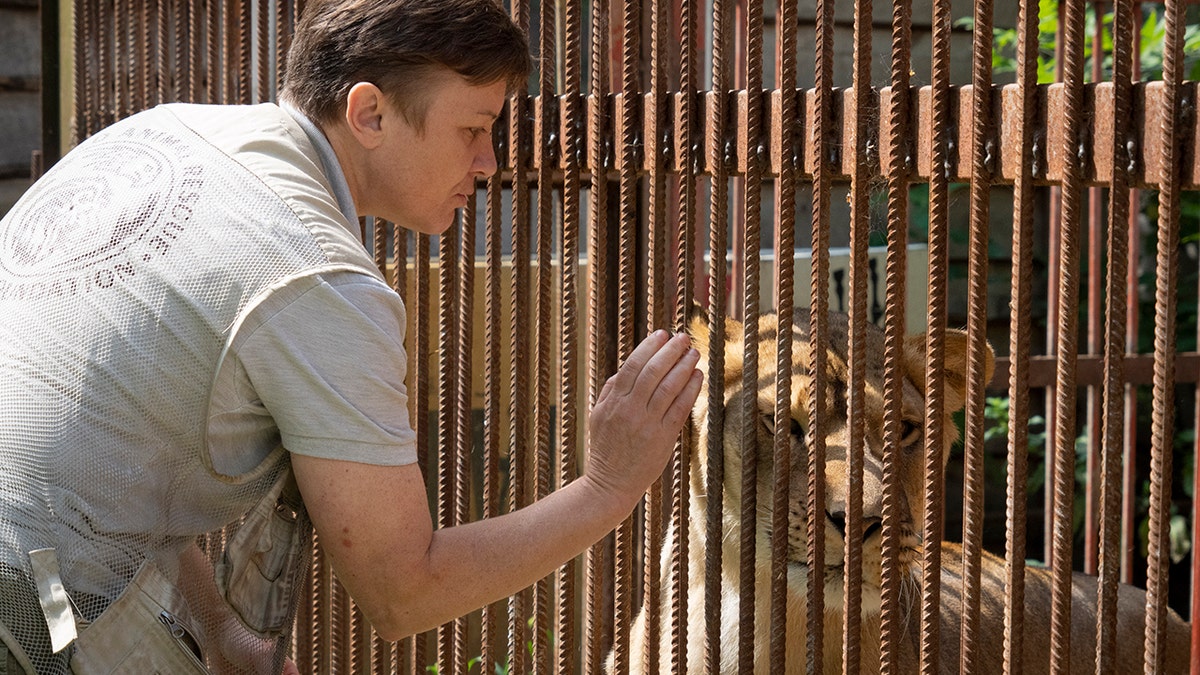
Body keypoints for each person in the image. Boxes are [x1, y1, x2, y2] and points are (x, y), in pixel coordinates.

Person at [0, 0, 703, 673]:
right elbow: (403, 592)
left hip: (38, 575)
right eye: (474, 128)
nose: (489, 162)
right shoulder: (317, 275)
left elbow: (105, 452)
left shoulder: (163, 134)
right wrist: (607, 488)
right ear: (369, 112)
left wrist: (217, 629)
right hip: (30, 608)